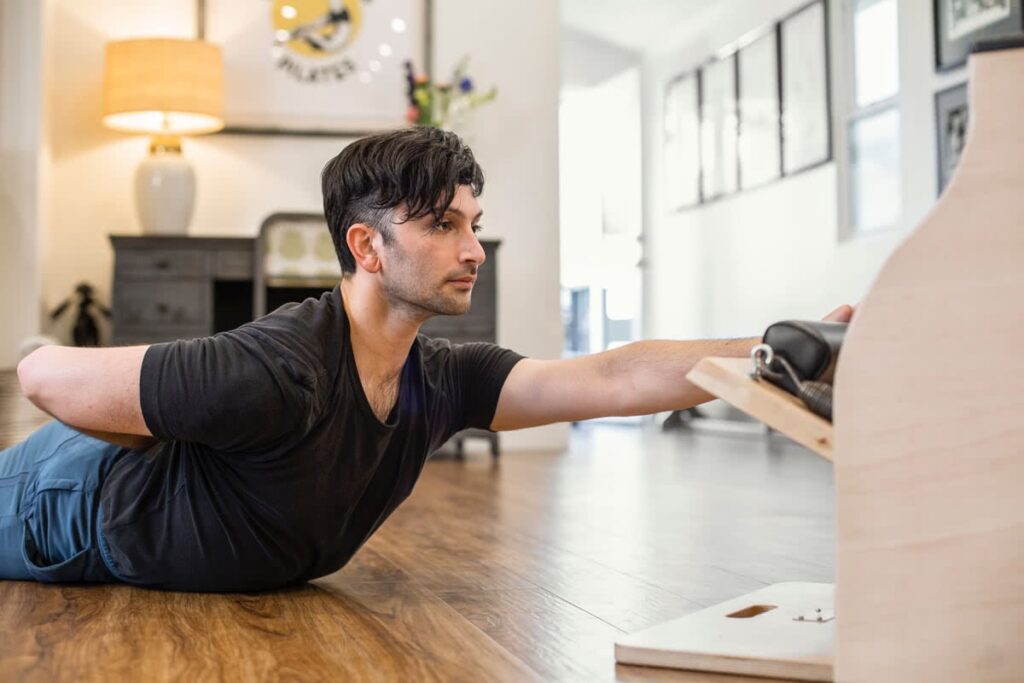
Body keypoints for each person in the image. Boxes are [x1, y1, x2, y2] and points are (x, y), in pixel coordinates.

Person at [3, 127, 855, 591]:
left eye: (472, 222)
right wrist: (163, 423)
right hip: (66, 503)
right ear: (367, 246)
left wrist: (779, 352)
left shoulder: (440, 378)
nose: (474, 247)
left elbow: (611, 375)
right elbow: (40, 372)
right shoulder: (276, 368)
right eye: (444, 224)